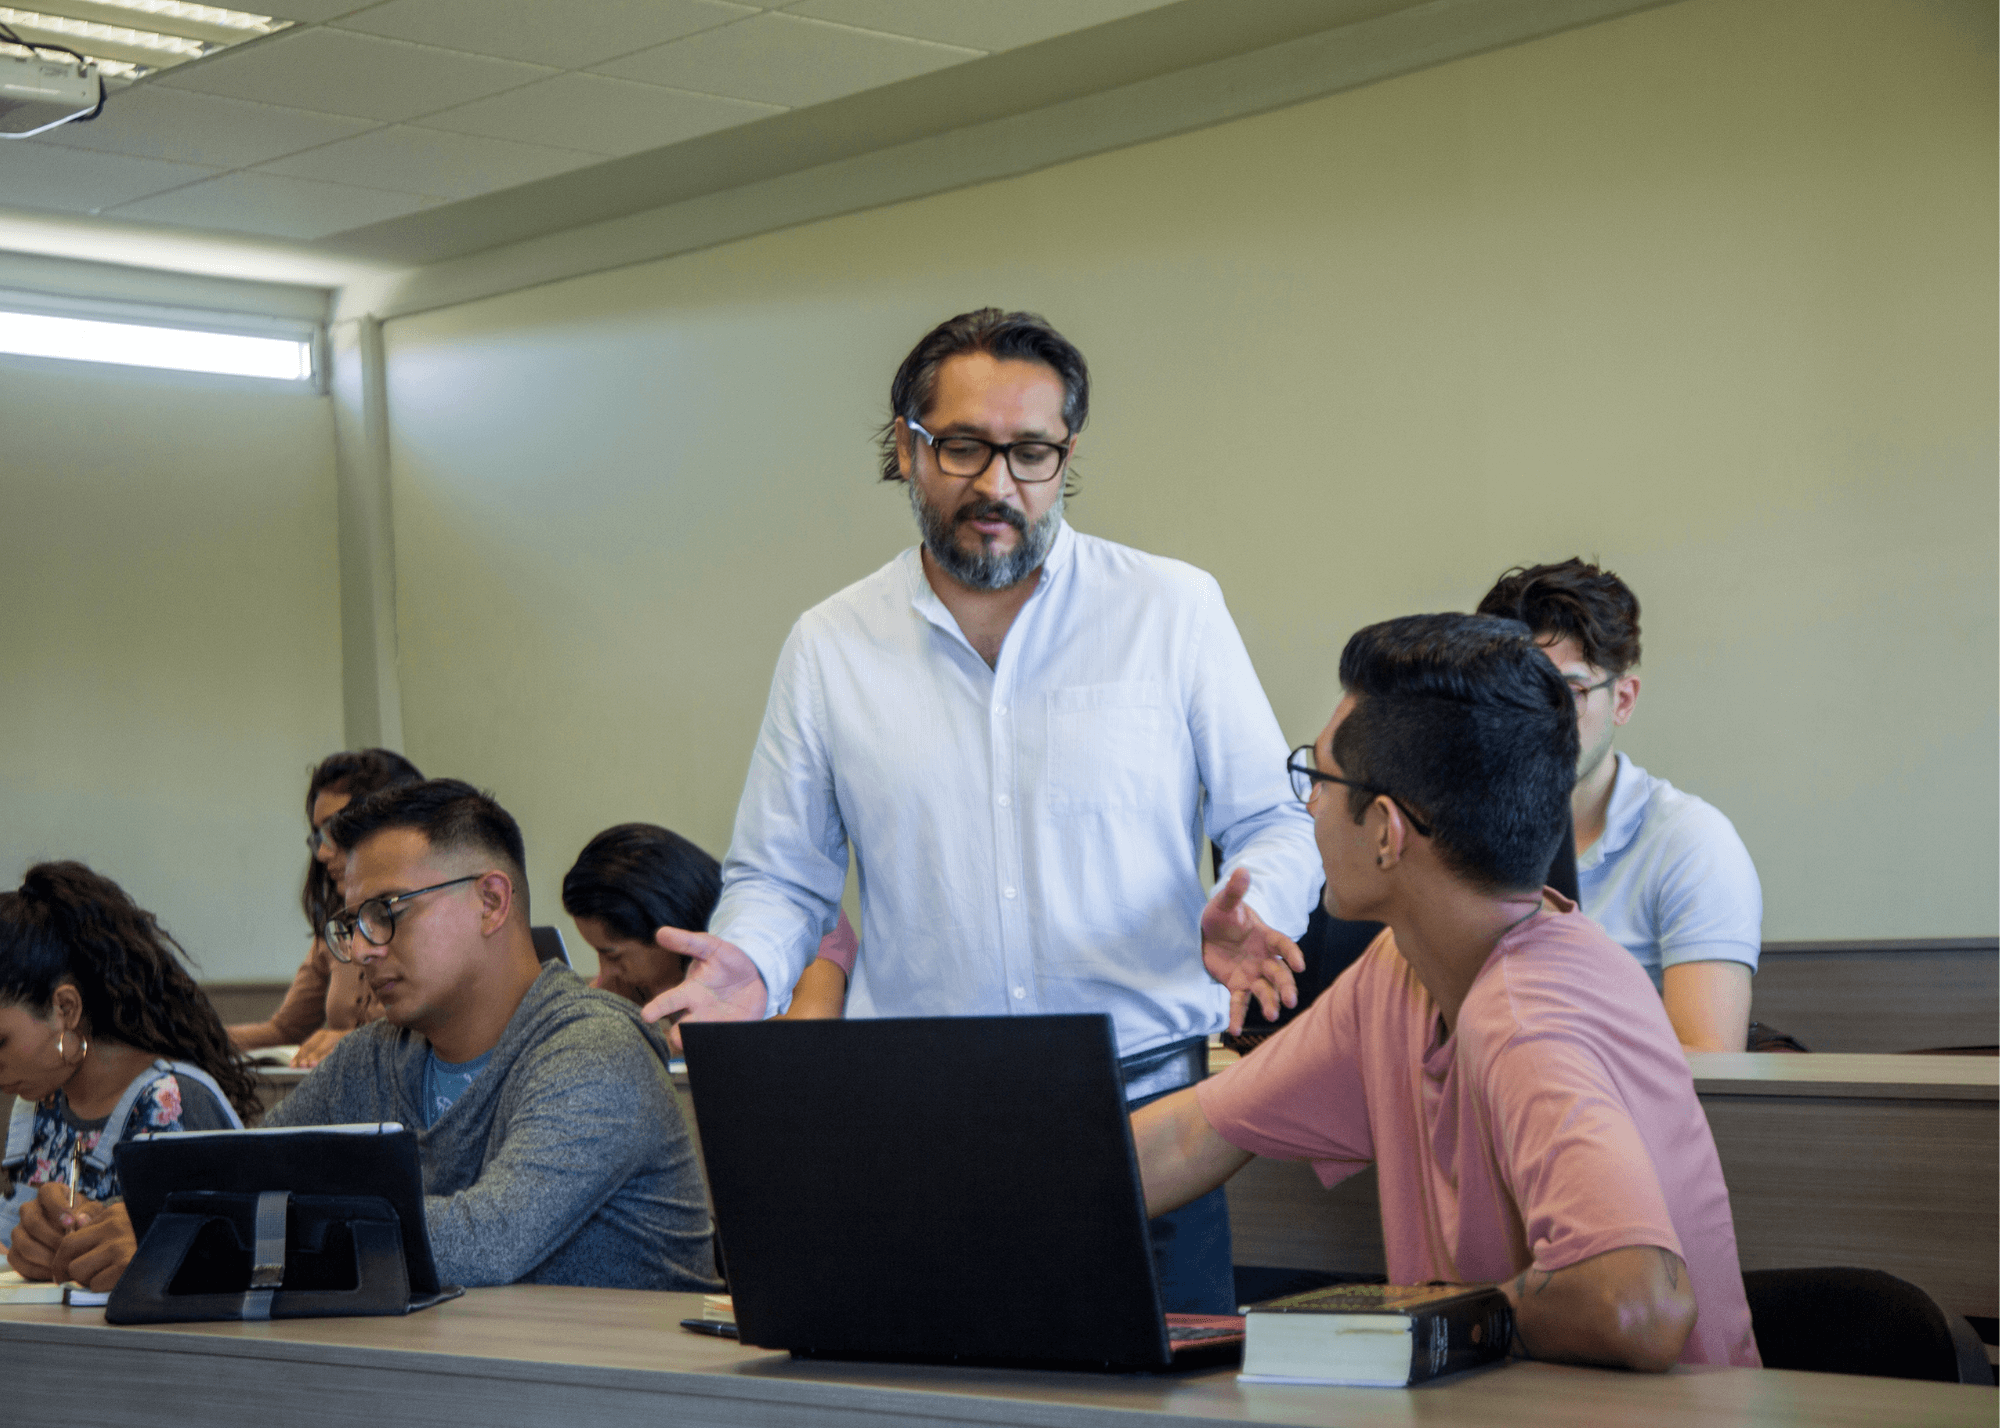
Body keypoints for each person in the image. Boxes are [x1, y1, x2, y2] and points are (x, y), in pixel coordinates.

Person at [647, 308, 1322, 1313]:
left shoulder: (1169, 611)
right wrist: (751, 957)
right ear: (906, 447)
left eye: (1032, 452)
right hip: (921, 1119)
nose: (997, 485)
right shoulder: (832, 644)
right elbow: (781, 875)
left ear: (1066, 455)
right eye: (962, 447)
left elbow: (1272, 817)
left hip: (1149, 1116)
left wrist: (1257, 904)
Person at [1132, 614, 1759, 1370]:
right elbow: (1194, 1135)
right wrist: (982, 1205)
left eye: (1319, 780)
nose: (1310, 808)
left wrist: (1440, 1323)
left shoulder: (1527, 1013)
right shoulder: (1400, 974)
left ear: (1388, 832)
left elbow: (1638, 1304)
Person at [262, 780, 714, 1291]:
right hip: (435, 1364)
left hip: (609, 1370)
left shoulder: (596, 1048)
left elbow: (487, 1243)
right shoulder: (368, 1057)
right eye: (354, 923)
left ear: (492, 901)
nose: (363, 950)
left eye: (386, 912)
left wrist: (289, 1224)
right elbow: (232, 1183)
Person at [1476, 560, 1761, 1051]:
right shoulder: (1461, 830)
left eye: (1570, 691)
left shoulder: (1690, 841)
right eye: (1516, 691)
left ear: (1623, 700)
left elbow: (1709, 1066)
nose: (1540, 716)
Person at [2, 862, 259, 1291]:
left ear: (66, 1009)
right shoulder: (37, 1101)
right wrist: (28, 1248)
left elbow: (237, 1262)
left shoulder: (174, 1099)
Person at [228, 748, 424, 1066]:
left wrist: (355, 1043)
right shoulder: (334, 930)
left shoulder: (432, 917)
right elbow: (285, 1029)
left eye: (337, 829)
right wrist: (190, 1039)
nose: (322, 852)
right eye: (318, 834)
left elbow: (450, 1028)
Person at [560, 822, 857, 1016]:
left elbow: (801, 1049)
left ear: (667, 930)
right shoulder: (642, 981)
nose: (607, 973)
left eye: (611, 955)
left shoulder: (807, 923)